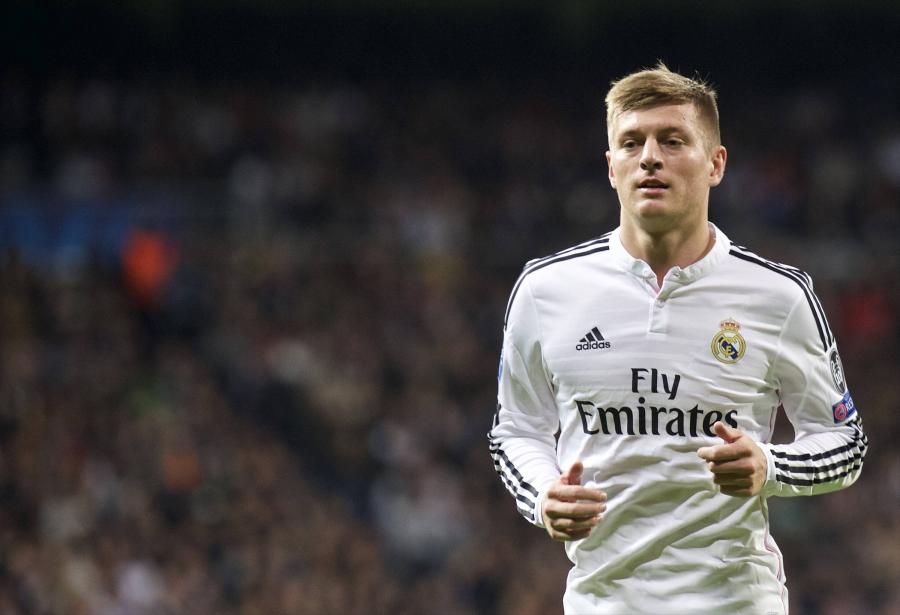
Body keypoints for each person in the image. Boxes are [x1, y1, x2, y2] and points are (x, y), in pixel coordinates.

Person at [488, 63, 867, 614]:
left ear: (716, 163)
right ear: (611, 167)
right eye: (631, 143)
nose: (650, 157)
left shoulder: (778, 296)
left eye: (672, 140)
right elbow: (516, 430)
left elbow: (845, 442)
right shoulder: (545, 290)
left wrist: (772, 467)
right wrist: (542, 495)